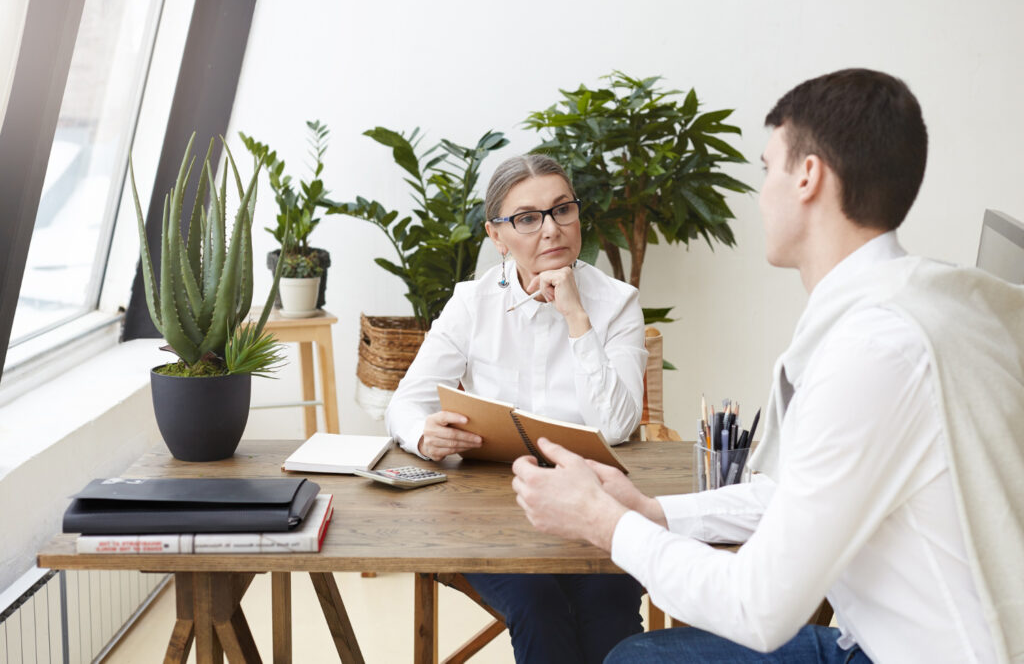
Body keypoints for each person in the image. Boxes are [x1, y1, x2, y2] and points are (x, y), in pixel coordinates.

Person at [511, 69, 1024, 663]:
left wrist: (605, 522)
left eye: (766, 168)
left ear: (808, 176)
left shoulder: (876, 349)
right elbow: (792, 496)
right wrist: (651, 510)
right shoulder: (913, 302)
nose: (760, 194)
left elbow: (758, 609)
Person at [386, 154, 649, 663]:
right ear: (497, 236)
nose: (551, 230)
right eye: (528, 218)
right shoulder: (472, 303)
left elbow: (616, 425)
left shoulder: (616, 302)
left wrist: (576, 315)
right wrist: (424, 434)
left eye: (562, 210)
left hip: (591, 497)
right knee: (538, 602)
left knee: (607, 598)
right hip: (494, 509)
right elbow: (406, 401)